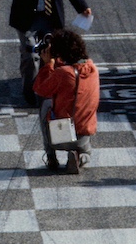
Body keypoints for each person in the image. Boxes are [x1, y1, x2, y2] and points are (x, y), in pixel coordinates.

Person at [32, 29, 99, 173]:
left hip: (60, 136)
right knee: (86, 151)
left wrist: (48, 64)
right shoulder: (93, 69)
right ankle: (81, 157)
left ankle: (51, 156)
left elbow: (40, 89)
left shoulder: (63, 73)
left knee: (46, 104)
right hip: (83, 134)